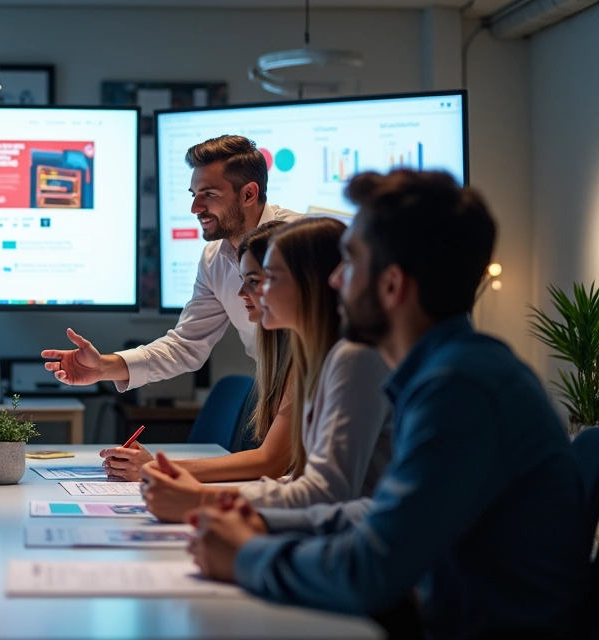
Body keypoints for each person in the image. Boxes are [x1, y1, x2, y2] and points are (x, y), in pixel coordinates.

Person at [189, 171, 592, 639]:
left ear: (392, 285)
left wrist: (245, 555)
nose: (334, 280)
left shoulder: (461, 388)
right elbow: (380, 511)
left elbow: (372, 569)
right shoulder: (446, 371)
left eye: (350, 261)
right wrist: (261, 520)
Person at [141, 217, 392, 522]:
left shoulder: (355, 358)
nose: (248, 293)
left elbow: (326, 494)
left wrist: (203, 500)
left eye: (266, 278)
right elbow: (305, 484)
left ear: (311, 281)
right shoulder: (317, 357)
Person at [42, 135, 300, 391]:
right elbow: (186, 345)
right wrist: (102, 368)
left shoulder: (304, 241)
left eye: (209, 194)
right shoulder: (214, 259)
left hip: (316, 386)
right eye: (194, 195)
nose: (195, 208)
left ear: (249, 194)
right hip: (277, 390)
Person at [101, 220, 295, 483]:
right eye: (242, 281)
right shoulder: (283, 352)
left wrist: (156, 468)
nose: (240, 293)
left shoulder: (315, 359)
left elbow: (270, 462)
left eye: (253, 281)